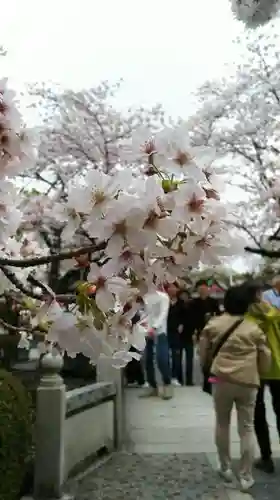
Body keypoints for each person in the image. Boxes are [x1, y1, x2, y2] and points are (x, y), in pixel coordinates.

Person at [199, 285, 271, 493]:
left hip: (220, 379)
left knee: (222, 423)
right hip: (248, 381)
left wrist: (206, 369)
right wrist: (261, 372)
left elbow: (203, 353)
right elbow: (264, 358)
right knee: (246, 428)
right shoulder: (254, 328)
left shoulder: (214, 325)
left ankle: (224, 466)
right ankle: (246, 476)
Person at [245, 281, 280, 474]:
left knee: (258, 413)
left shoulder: (247, 318)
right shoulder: (275, 313)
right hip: (277, 367)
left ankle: (266, 458)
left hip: (255, 369)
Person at [140, 286, 173, 400]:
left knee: (162, 359)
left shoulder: (163, 297)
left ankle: (167, 384)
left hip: (160, 331)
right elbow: (142, 312)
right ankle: (152, 385)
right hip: (146, 331)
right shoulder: (143, 297)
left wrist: (154, 327)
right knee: (147, 359)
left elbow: (163, 314)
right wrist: (144, 325)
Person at [166, 282, 185, 386]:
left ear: (177, 290)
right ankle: (166, 377)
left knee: (176, 356)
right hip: (165, 331)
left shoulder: (181, 302)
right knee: (165, 357)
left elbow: (184, 316)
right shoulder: (164, 301)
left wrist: (181, 324)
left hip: (176, 333)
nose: (172, 289)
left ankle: (174, 377)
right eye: (170, 287)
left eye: (174, 287)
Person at [178, 289, 196, 386]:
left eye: (185, 295)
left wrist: (195, 332)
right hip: (179, 336)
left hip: (189, 335)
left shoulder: (193, 305)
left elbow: (195, 319)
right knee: (178, 360)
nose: (183, 297)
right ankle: (179, 379)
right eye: (182, 295)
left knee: (189, 360)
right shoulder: (178, 306)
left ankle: (189, 380)